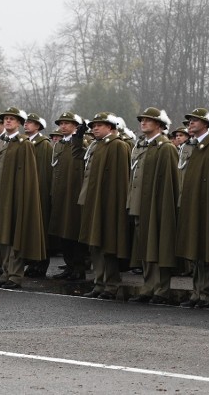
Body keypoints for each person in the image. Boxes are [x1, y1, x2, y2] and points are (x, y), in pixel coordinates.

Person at [75, 113, 131, 299]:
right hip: (92, 200)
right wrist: (77, 137)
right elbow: (79, 158)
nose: (95, 128)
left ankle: (111, 284)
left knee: (107, 244)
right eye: (93, 125)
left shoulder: (117, 146)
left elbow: (120, 180)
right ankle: (99, 283)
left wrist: (114, 204)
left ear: (111, 127)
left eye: (100, 125)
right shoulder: (95, 145)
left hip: (107, 202)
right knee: (95, 244)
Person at [0, 107, 46, 289]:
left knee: (14, 236)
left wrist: (22, 198)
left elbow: (27, 175)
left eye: (12, 119)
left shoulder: (24, 144)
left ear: (20, 123)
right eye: (6, 118)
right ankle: (6, 272)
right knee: (2, 236)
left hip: (14, 197)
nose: (8, 121)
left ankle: (15, 275)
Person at [127, 108, 179, 304]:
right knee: (145, 247)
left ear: (159, 124)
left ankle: (161, 289)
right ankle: (148, 286)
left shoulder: (165, 148)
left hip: (157, 206)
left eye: (149, 120)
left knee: (159, 246)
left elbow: (169, 182)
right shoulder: (142, 146)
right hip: (140, 204)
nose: (143, 122)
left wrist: (163, 207)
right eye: (142, 119)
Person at [176, 108, 209, 309]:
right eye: (190, 120)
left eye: (195, 120)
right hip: (192, 205)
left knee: (205, 251)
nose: (191, 123)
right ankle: (196, 292)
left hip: (206, 207)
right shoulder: (194, 145)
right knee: (194, 251)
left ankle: (207, 294)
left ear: (206, 124)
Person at [48, 113, 88, 281]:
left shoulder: (81, 143)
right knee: (62, 232)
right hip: (60, 193)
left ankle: (79, 267)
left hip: (74, 194)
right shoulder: (59, 145)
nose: (63, 126)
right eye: (61, 123)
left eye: (67, 123)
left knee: (74, 231)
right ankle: (69, 266)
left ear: (75, 126)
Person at [23, 112, 53, 278]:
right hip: (28, 191)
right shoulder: (24, 142)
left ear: (38, 126)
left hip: (40, 192)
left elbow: (46, 171)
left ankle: (42, 263)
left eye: (31, 123)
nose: (26, 124)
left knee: (41, 229)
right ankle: (31, 261)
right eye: (26, 122)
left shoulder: (44, 145)